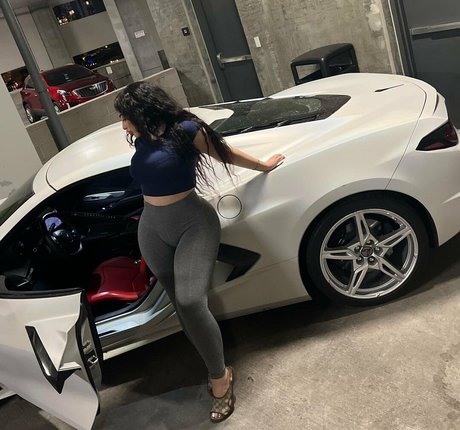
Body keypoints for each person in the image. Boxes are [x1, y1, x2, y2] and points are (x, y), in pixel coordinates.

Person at [114, 81, 284, 423]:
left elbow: (226, 153)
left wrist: (264, 166)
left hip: (193, 223)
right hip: (151, 227)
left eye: (126, 117)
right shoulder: (143, 138)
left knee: (192, 301)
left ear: (143, 111)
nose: (123, 125)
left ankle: (220, 376)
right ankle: (210, 359)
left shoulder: (186, 129)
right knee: (180, 304)